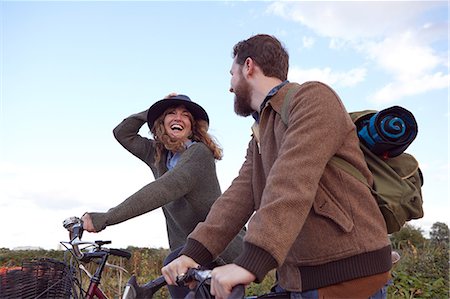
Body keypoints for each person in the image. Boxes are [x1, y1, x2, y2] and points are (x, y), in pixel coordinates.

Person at [161, 34, 393, 299]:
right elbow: (236, 198)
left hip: (346, 272)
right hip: (298, 277)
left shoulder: (313, 98)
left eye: (231, 74)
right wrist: (194, 252)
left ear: (248, 66)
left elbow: (292, 181)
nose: (230, 86)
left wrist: (250, 262)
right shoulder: (260, 134)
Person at [81, 94, 244, 298]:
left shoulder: (198, 154)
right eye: (171, 113)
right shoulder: (158, 155)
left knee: (172, 266)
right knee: (175, 270)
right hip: (187, 254)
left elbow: (164, 189)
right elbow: (123, 133)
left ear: (192, 127)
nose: (178, 118)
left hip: (221, 248)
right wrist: (153, 110)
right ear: (161, 122)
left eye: (185, 115)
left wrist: (106, 218)